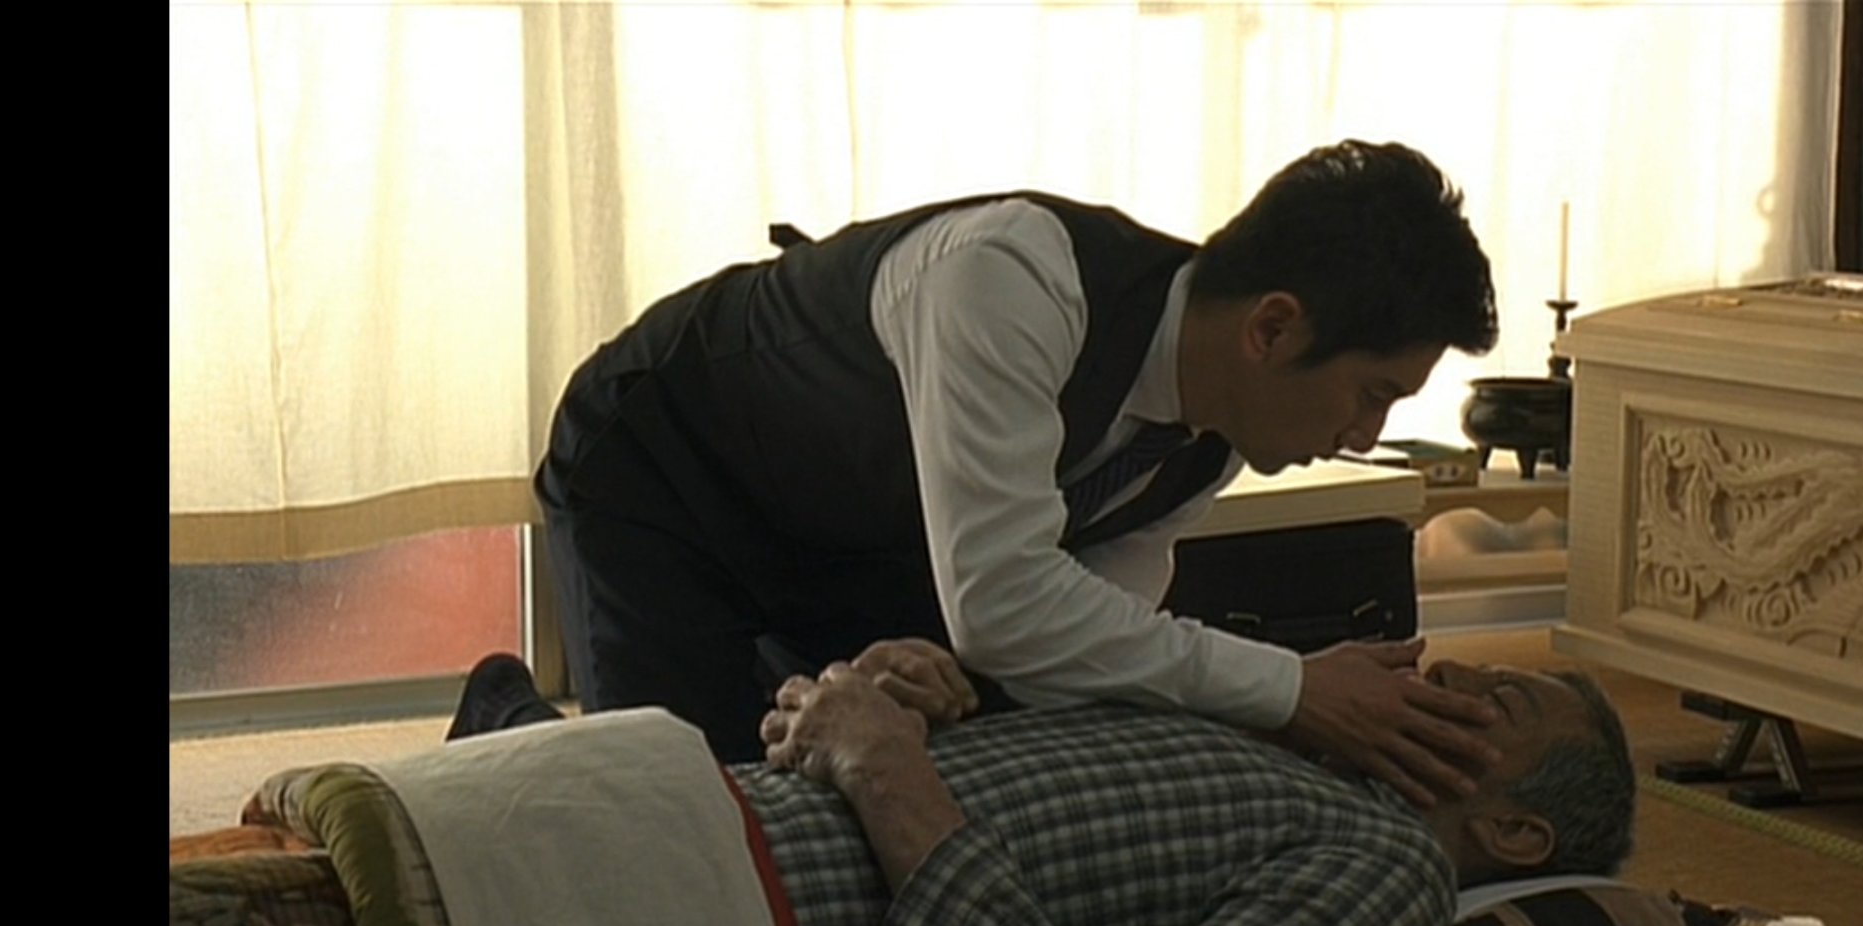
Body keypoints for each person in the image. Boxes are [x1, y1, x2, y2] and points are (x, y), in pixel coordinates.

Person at [536, 137, 1505, 804]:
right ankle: (509, 718)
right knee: (680, 809)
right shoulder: (1011, 276)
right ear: (1272, 327)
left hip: (855, 534)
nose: (1364, 433)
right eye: (1372, 393)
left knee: (845, 786)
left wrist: (942, 677)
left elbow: (1067, 642)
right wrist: (1294, 686)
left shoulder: (1208, 437)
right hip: (666, 472)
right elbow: (1004, 603)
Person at [445, 643, 1637, 926]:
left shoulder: (1391, 872)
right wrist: (916, 696)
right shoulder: (1283, 752)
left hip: (724, 901)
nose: (1447, 670)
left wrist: (890, 773)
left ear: (1516, 831)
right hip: (699, 807)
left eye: (1498, 700)